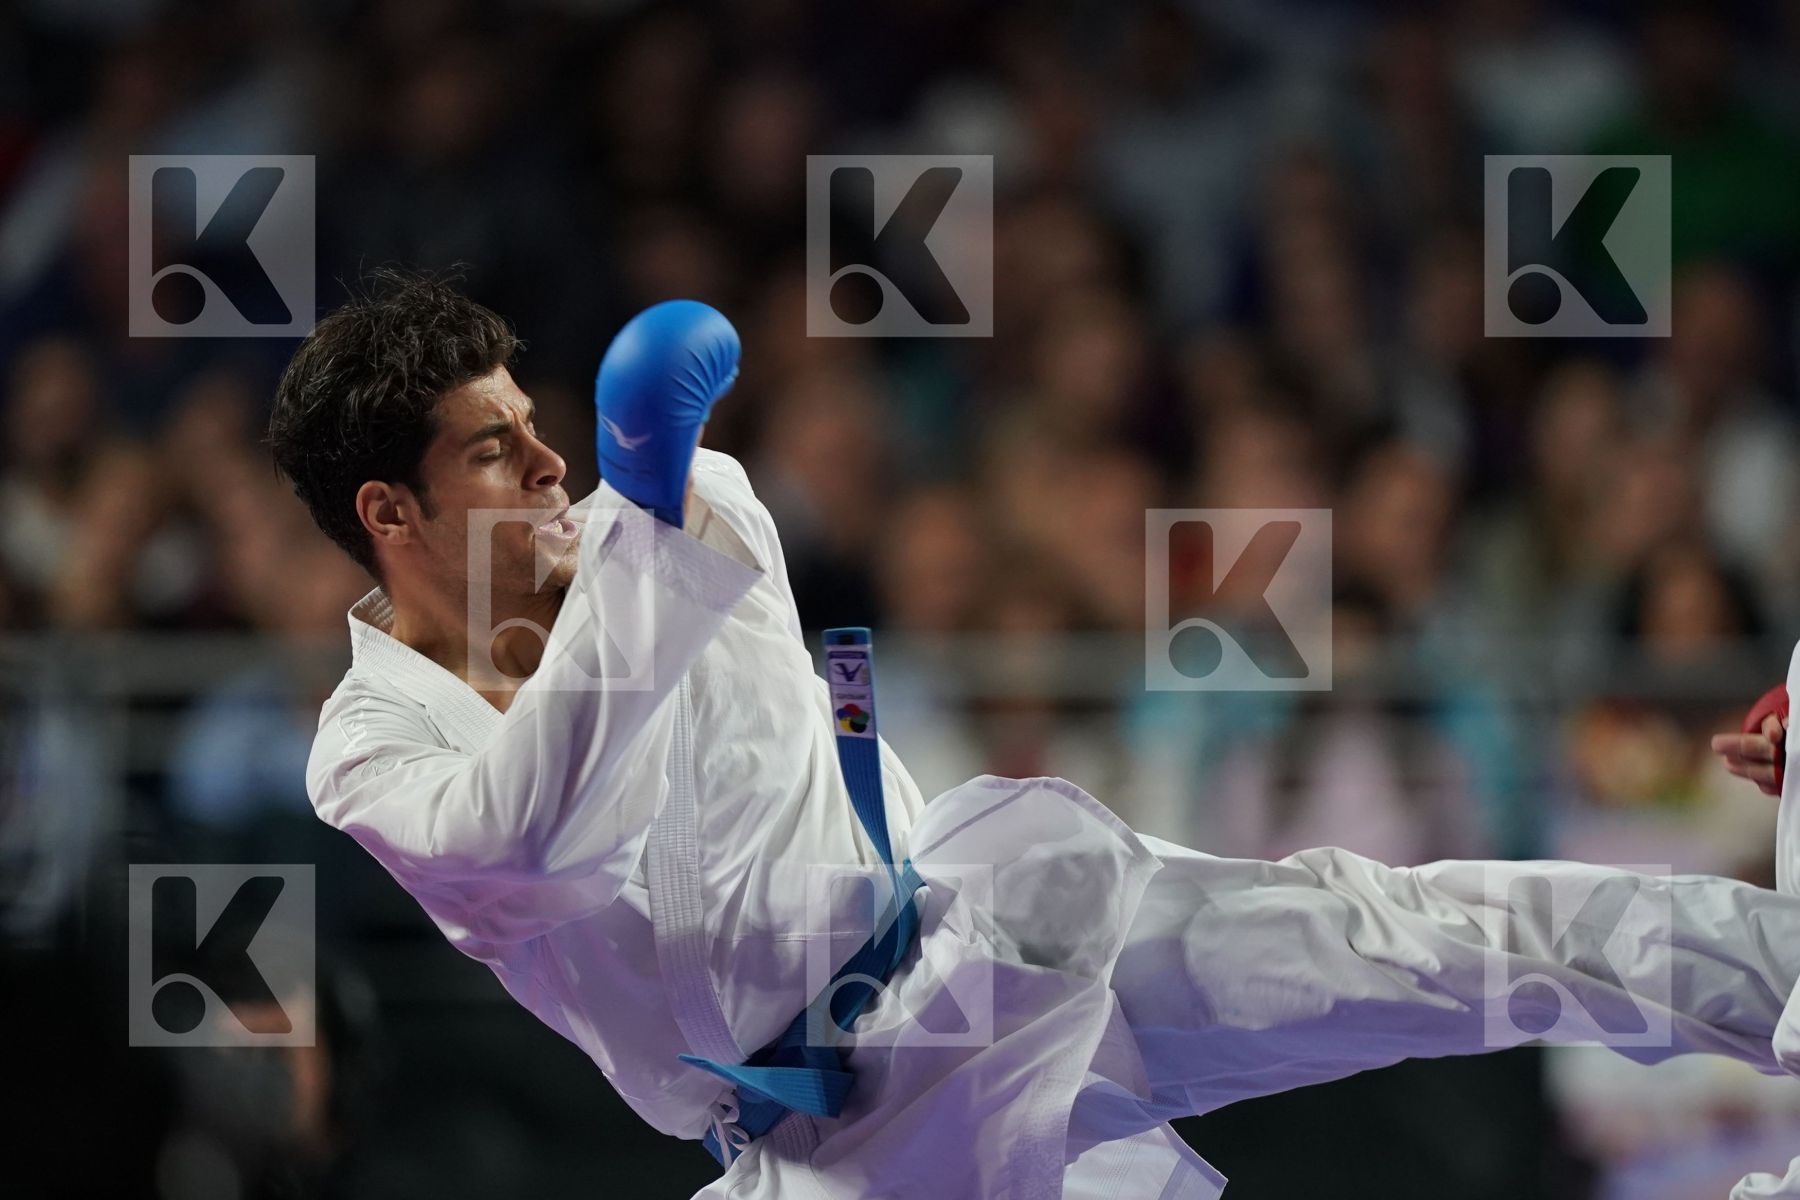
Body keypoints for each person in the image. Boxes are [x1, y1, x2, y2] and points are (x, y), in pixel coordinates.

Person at [273, 271, 1800, 1200]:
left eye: (546, 427)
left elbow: (634, 614)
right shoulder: (373, 752)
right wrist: (638, 501)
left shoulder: (695, 503)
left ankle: (1784, 968)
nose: (551, 464)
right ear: (390, 515)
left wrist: (650, 495)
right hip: (849, 1136)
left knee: (1406, 930)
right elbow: (543, 843)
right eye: (497, 450)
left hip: (987, 929)